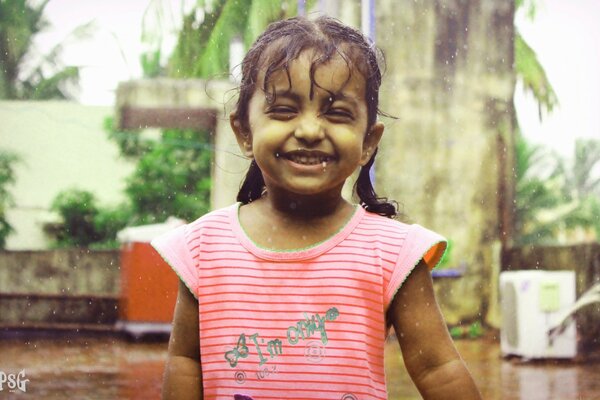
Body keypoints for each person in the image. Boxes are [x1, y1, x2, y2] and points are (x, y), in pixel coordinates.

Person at [152, 15, 482, 400]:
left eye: (337, 112)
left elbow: (438, 369)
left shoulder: (393, 255)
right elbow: (185, 361)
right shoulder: (204, 247)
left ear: (368, 143)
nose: (310, 130)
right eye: (284, 110)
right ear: (244, 131)